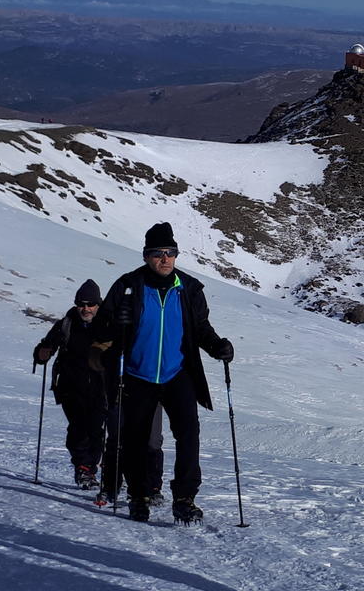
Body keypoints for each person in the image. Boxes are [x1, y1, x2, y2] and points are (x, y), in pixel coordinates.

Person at [100, 222, 235, 522]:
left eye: (170, 253)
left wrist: (218, 347)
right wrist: (115, 322)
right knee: (135, 438)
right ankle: (138, 495)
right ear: (146, 256)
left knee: (188, 433)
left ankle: (184, 498)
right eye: (158, 253)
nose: (165, 259)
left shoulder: (188, 289)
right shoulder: (127, 286)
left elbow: (200, 329)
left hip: (178, 374)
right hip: (137, 374)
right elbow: (101, 330)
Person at [36, 280, 166, 493]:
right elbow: (47, 345)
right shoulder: (67, 323)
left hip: (103, 386)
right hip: (71, 386)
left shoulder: (109, 323)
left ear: (98, 304)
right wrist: (42, 352)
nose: (85, 308)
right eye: (81, 304)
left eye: (90, 304)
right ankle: (84, 467)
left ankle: (99, 470)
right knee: (80, 427)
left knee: (99, 429)